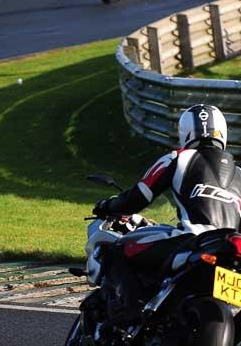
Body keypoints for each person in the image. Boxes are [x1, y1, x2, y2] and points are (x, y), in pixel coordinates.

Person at [93, 105, 241, 320]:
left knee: (114, 251)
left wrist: (108, 205)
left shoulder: (178, 158)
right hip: (230, 249)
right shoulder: (239, 174)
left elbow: (138, 197)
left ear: (185, 133)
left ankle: (131, 315)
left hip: (191, 240)